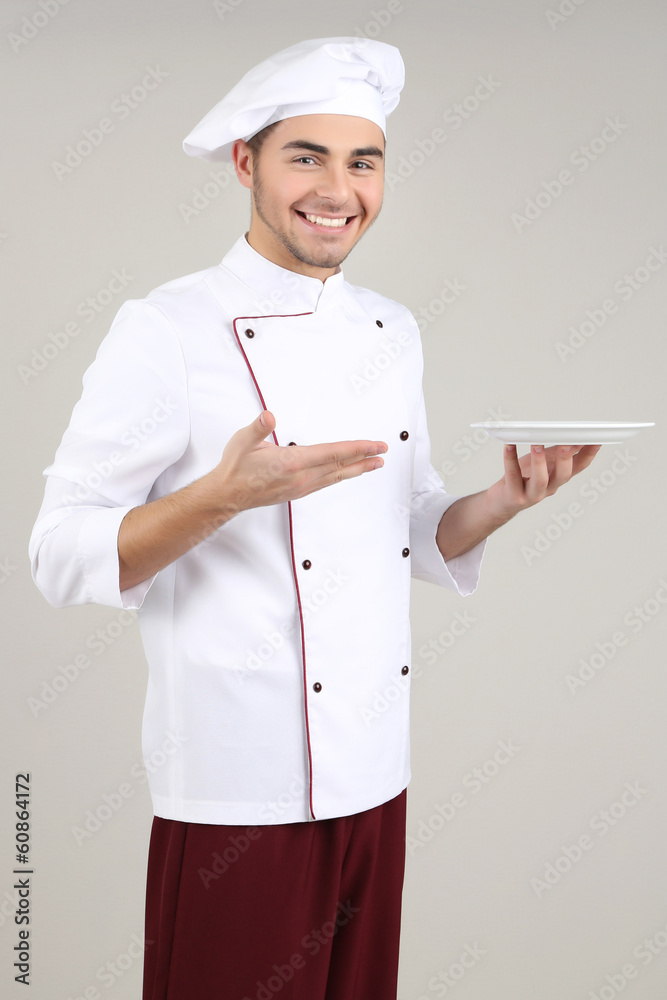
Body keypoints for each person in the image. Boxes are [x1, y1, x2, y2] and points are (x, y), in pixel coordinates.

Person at [28, 37, 600, 1000]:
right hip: (236, 786)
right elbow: (56, 553)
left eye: (363, 161)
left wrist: (501, 501)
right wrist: (218, 498)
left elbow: (411, 524)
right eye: (307, 156)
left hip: (372, 773)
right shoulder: (167, 328)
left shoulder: (391, 327)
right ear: (247, 163)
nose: (339, 189)